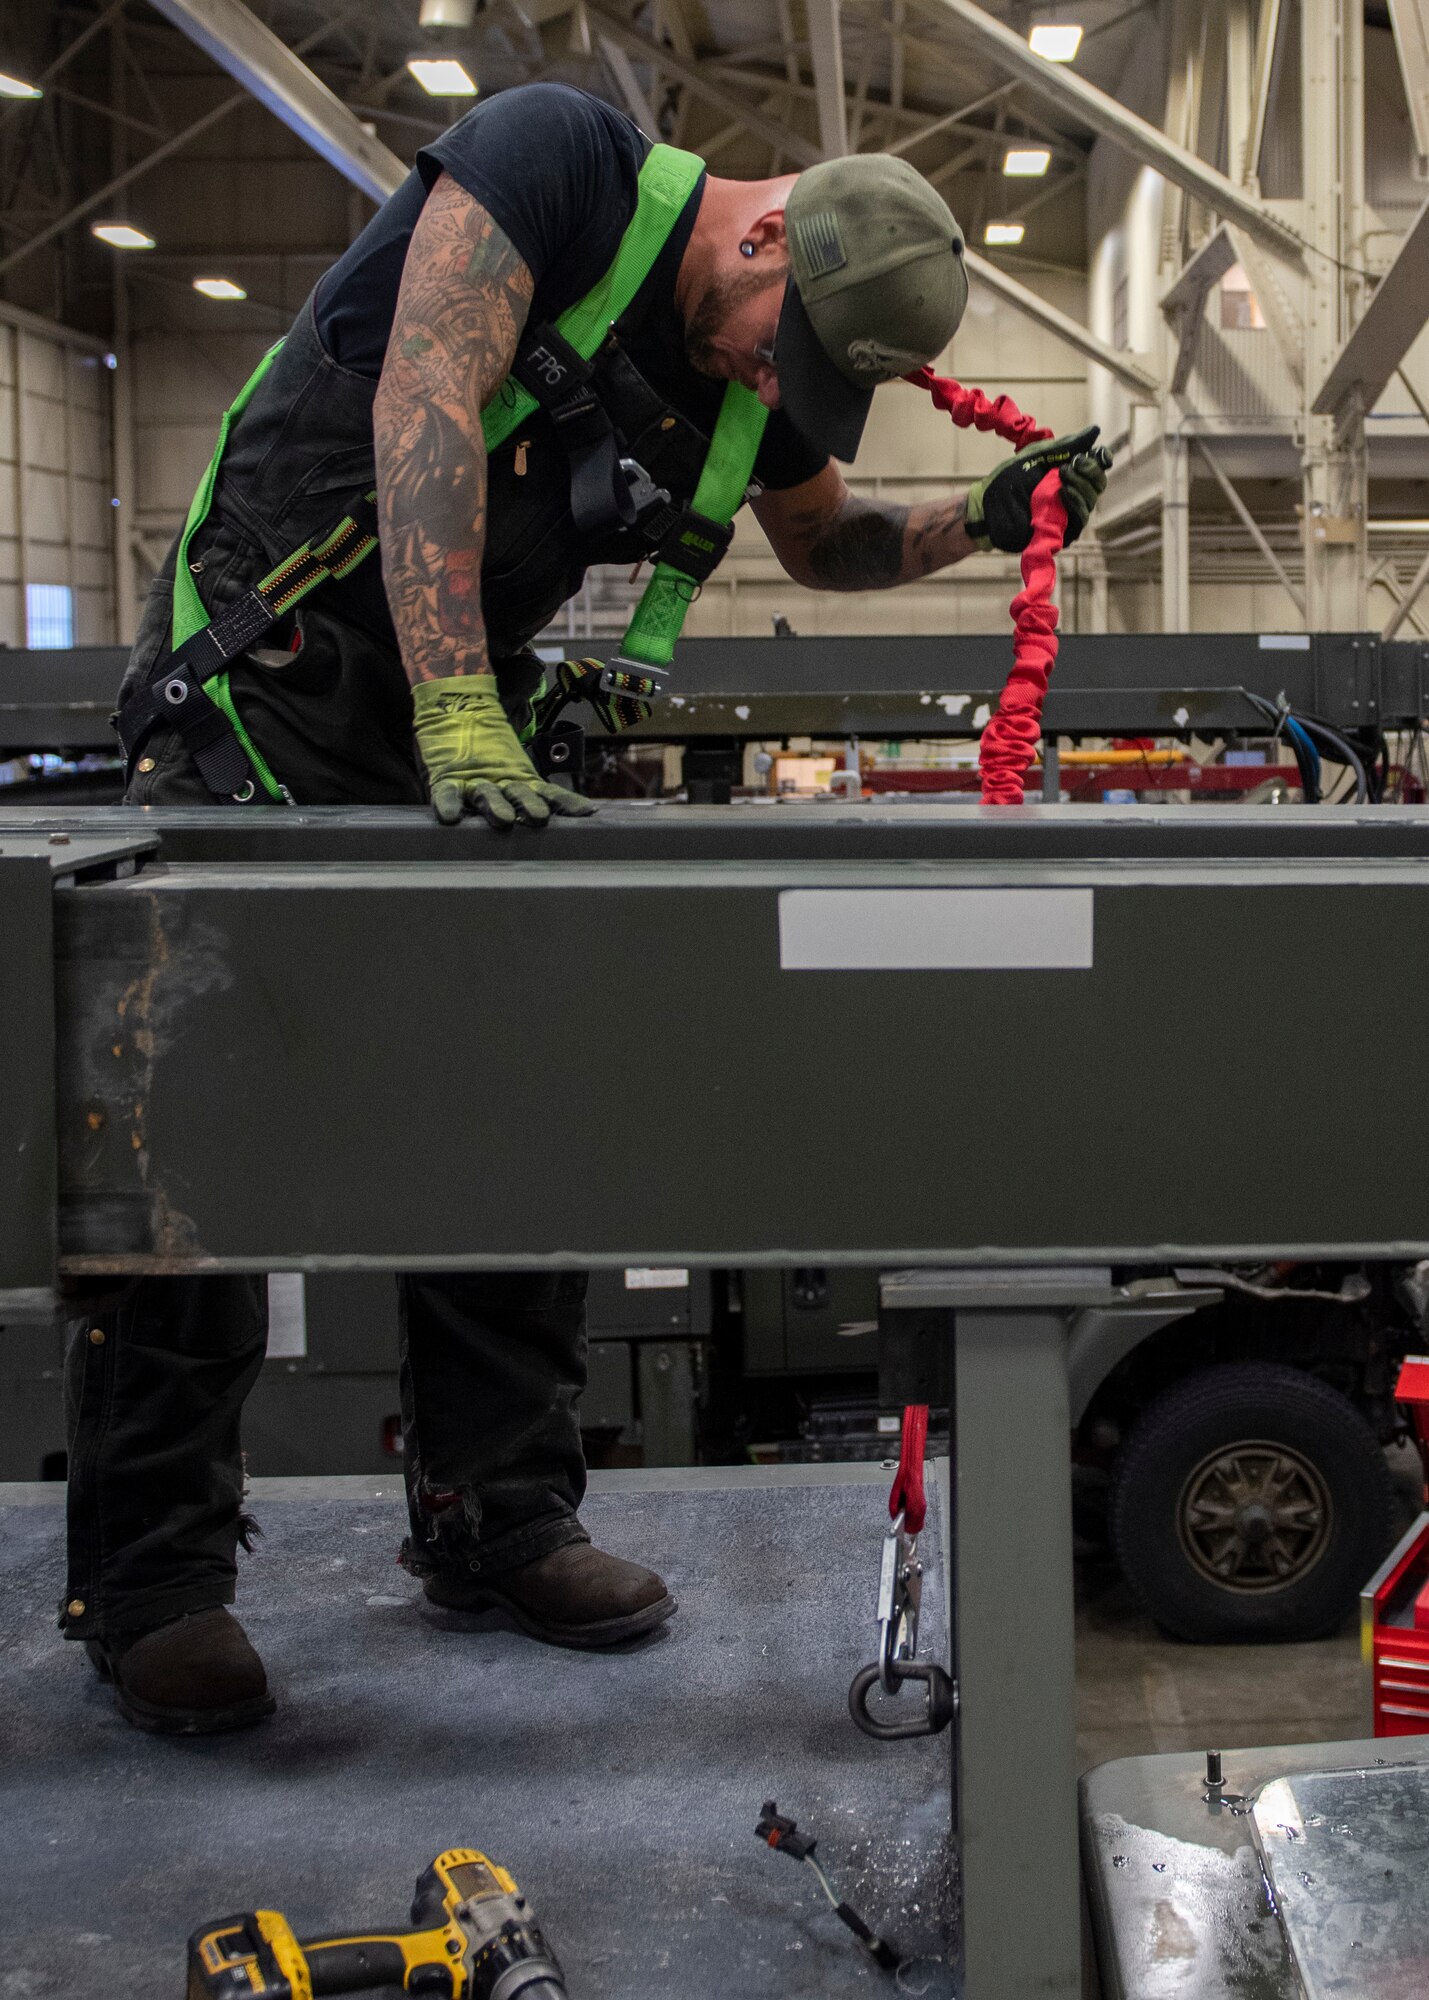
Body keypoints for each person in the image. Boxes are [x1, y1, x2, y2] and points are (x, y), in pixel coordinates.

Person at [71, 82, 1110, 1735]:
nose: (779, 390)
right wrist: (455, 703)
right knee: (196, 1151)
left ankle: (499, 1522)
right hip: (270, 705)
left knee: (505, 1124)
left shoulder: (753, 366)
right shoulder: (555, 161)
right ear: (765, 230)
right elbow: (428, 387)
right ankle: (153, 1590)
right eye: (786, 350)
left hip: (454, 754)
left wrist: (975, 522)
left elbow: (825, 545)